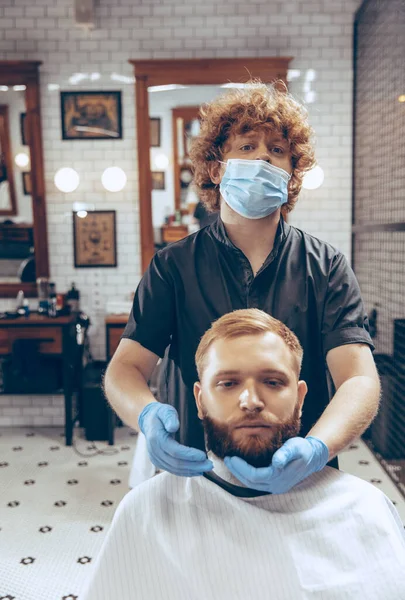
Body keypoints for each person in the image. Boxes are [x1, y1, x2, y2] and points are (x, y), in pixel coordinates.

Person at [104, 80, 380, 493]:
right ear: (217, 168)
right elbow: (125, 369)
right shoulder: (171, 267)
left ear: (291, 175)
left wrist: (317, 448)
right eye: (247, 147)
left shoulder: (326, 268)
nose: (263, 160)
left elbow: (359, 379)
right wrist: (146, 415)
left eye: (277, 151)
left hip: (303, 479)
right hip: (199, 475)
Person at [83, 310, 405, 600]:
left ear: (300, 397)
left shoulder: (365, 508)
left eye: (273, 381)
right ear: (199, 399)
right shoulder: (147, 512)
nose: (251, 401)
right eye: (228, 383)